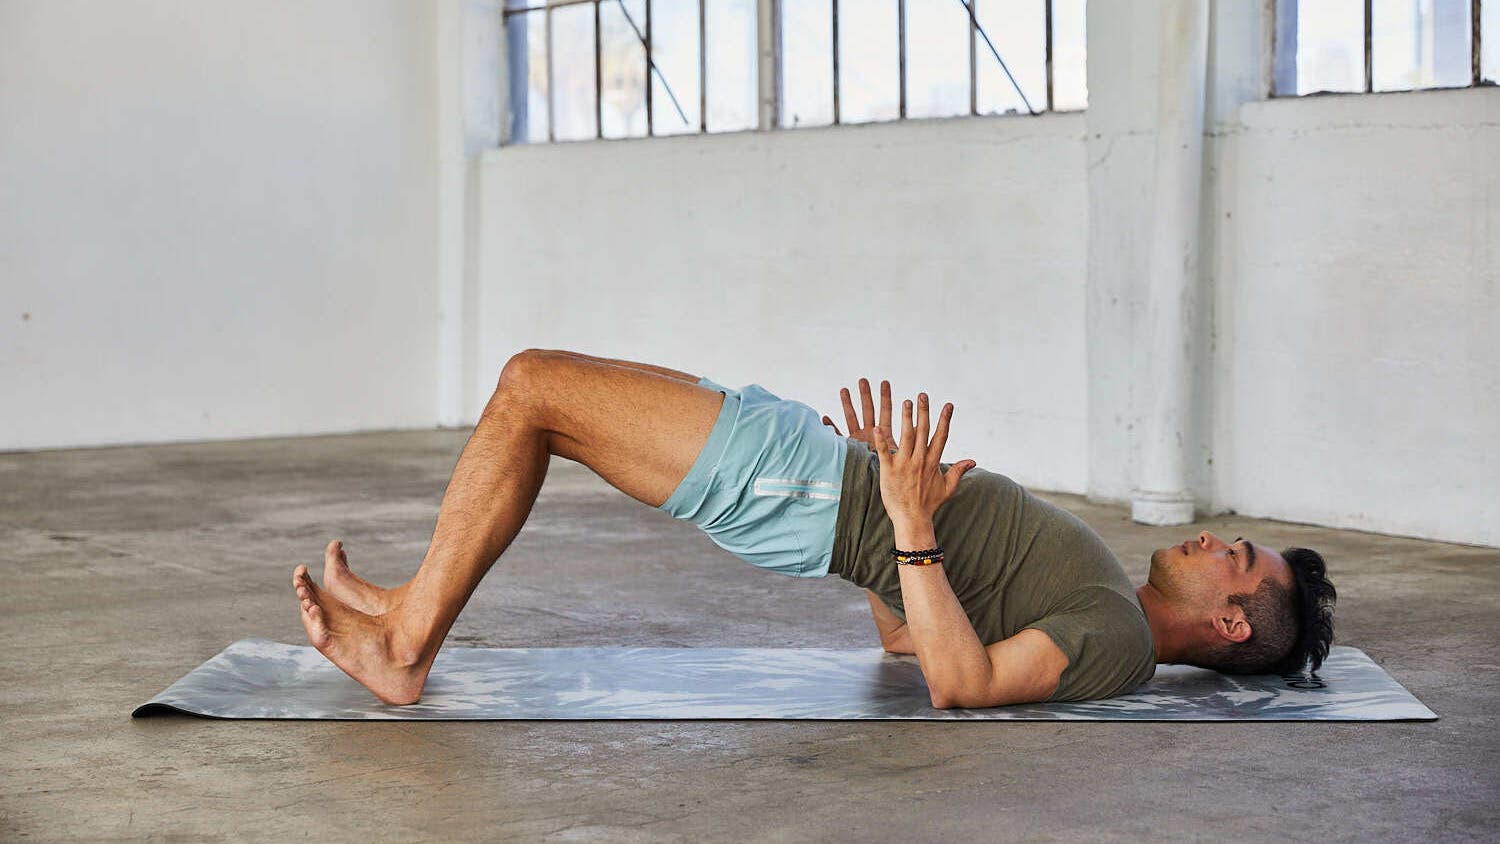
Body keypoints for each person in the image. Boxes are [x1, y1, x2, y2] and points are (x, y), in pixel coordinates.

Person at [291, 349, 1337, 707]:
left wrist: (908, 524)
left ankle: (404, 647)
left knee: (531, 387)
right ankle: (410, 610)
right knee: (538, 399)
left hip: (803, 492)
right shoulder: (1105, 588)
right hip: (816, 474)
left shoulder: (1115, 639)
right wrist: (896, 500)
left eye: (1231, 559)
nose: (1212, 541)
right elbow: (907, 639)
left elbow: (959, 685)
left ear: (1234, 625)